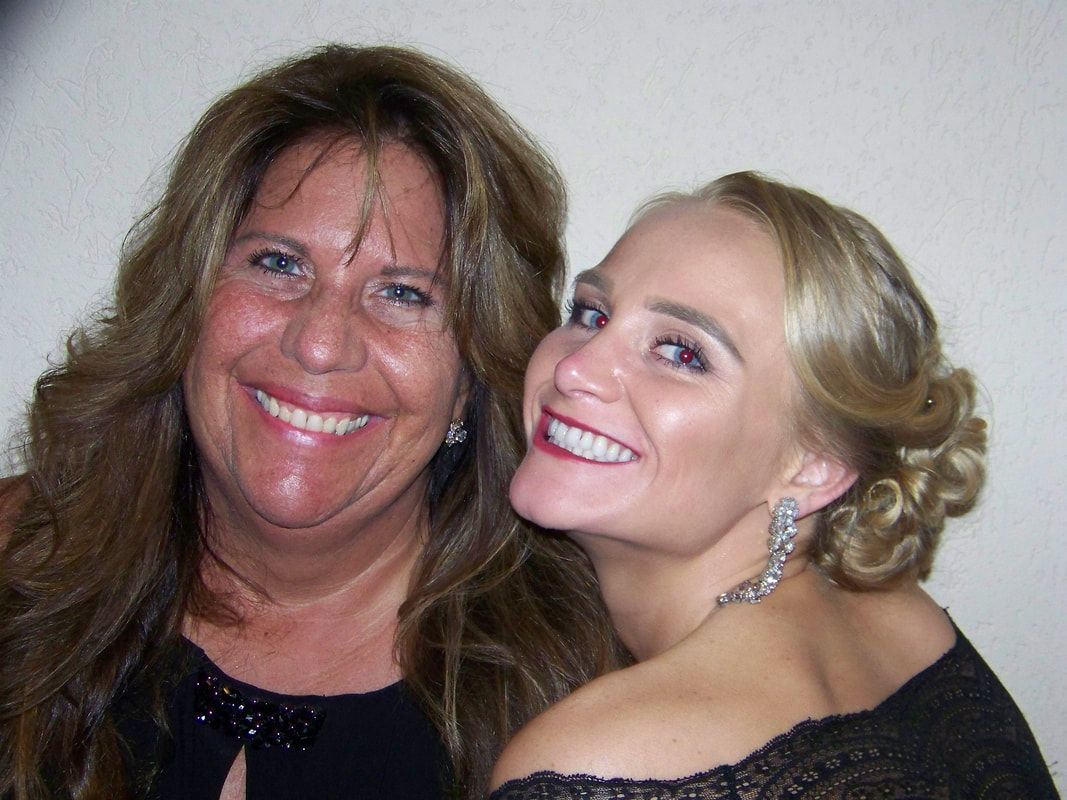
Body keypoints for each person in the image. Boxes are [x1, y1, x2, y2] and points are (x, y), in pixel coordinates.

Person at [0, 45, 625, 800]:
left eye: (402, 293)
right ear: (187, 306)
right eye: (278, 264)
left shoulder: (581, 687)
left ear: (470, 380)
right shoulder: (21, 568)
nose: (321, 343)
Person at [490, 172, 1058, 799]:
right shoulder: (908, 625)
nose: (575, 368)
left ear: (813, 465)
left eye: (680, 353)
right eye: (592, 313)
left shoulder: (597, 765)